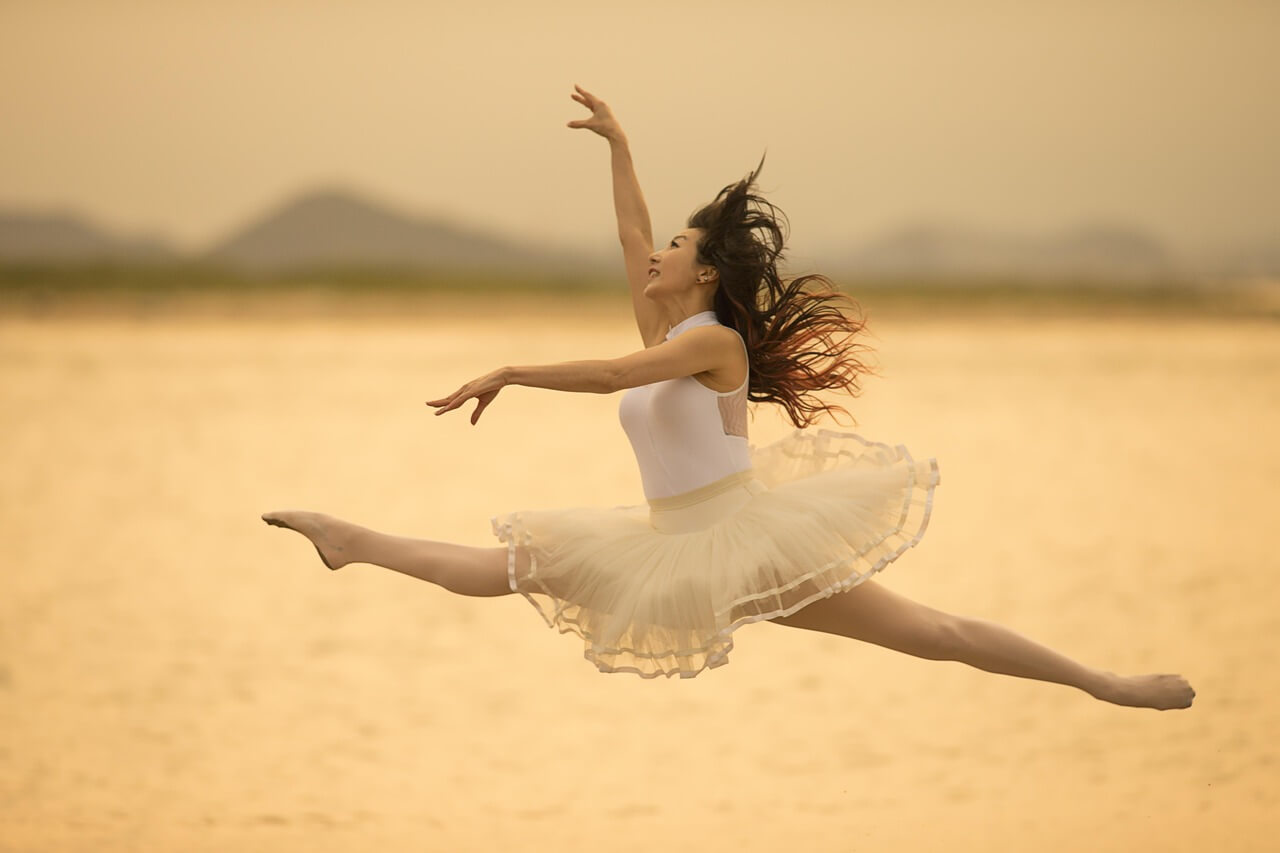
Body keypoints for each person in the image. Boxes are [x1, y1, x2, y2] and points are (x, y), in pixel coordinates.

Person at [262, 84, 1194, 709]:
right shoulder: (669, 328)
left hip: (744, 539)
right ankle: (349, 542)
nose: (659, 252)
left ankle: (1109, 685)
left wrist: (510, 371)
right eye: (665, 244)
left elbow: (616, 378)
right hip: (669, 544)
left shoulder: (709, 344)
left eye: (678, 246)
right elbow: (628, 235)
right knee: (506, 566)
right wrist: (621, 147)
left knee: (932, 631)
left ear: (704, 276)